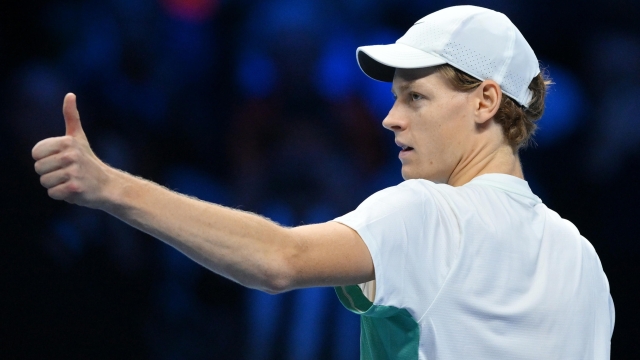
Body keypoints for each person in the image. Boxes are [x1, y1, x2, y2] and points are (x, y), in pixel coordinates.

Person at [32, 5, 614, 360]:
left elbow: (279, 259)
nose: (391, 118)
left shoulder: (427, 212)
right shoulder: (582, 258)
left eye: (416, 97)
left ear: (487, 100)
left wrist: (111, 187)